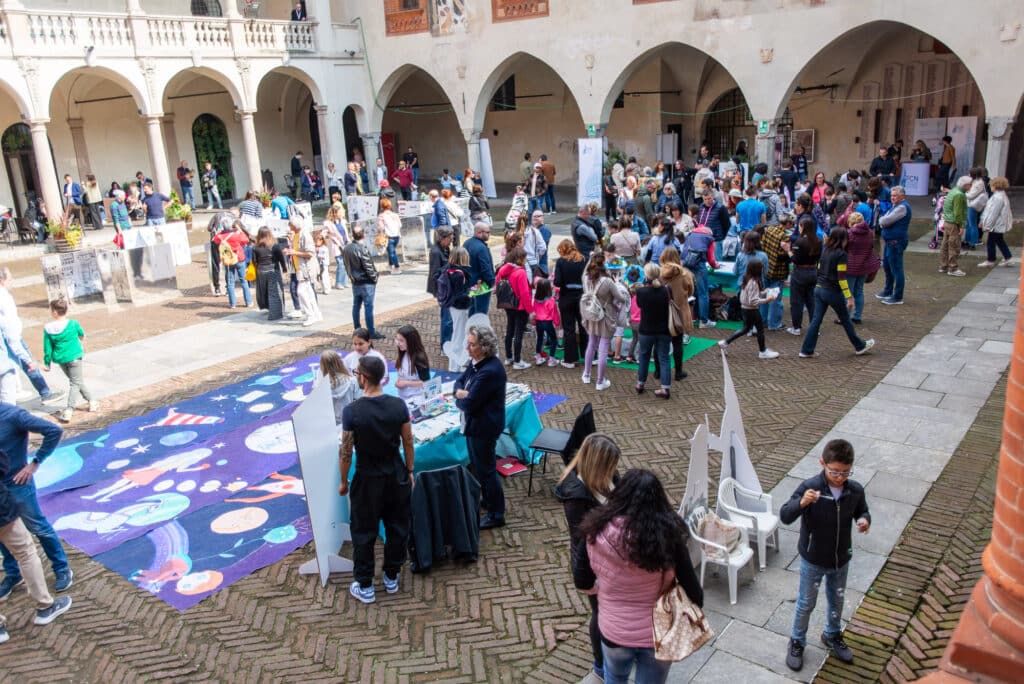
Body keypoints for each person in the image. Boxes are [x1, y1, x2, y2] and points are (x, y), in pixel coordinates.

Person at [574, 469, 703, 684]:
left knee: (614, 678)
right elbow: (696, 594)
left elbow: (582, 580)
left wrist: (605, 588)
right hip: (657, 635)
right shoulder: (669, 537)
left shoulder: (594, 531)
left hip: (613, 631)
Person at [782, 439, 871, 672]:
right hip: (813, 559)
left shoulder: (855, 490)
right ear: (822, 463)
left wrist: (864, 521)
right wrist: (802, 503)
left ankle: (832, 634)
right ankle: (797, 641)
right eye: (834, 472)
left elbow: (862, 510)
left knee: (837, 599)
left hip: (841, 558)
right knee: (806, 603)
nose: (840, 477)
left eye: (845, 472)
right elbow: (785, 515)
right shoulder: (810, 487)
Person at [339, 355, 413, 604]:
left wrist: (343, 481)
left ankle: (365, 584)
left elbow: (346, 451)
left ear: (363, 376)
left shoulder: (352, 411)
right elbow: (408, 440)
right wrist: (410, 470)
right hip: (395, 474)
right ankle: (391, 575)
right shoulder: (398, 406)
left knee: (363, 530)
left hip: (367, 478)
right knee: (397, 527)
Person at [553, 433, 621, 682]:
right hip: (593, 563)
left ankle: (618, 653)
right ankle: (601, 665)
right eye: (610, 465)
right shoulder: (576, 497)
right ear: (598, 464)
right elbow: (582, 542)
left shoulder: (610, 476)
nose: (615, 470)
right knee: (600, 613)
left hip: (614, 556)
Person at [0, 402, 75, 604]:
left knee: (38, 527)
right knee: (4, 535)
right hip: (2, 493)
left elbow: (53, 430)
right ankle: (13, 573)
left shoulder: (12, 415)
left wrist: (35, 463)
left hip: (17, 484)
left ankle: (61, 567)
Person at [455, 325, 507, 529]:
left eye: (472, 344)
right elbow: (459, 381)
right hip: (475, 425)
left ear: (484, 347)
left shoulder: (490, 371)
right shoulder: (477, 363)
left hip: (483, 427)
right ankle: (489, 499)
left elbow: (469, 403)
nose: (467, 347)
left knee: (486, 470)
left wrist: (461, 398)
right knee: (479, 467)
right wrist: (460, 393)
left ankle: (496, 513)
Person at [799, 227, 876, 358]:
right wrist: (849, 297)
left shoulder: (825, 250)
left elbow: (818, 269)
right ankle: (859, 346)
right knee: (846, 320)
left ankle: (806, 350)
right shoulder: (842, 255)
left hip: (819, 289)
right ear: (843, 239)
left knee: (816, 321)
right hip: (832, 291)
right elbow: (841, 277)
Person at [42, 299, 98, 423]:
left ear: (55, 312)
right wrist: (81, 342)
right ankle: (71, 409)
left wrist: (47, 362)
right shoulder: (73, 324)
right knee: (75, 382)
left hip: (61, 359)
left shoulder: (48, 328)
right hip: (74, 356)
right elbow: (82, 334)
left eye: (51, 309)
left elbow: (47, 347)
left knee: (75, 381)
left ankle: (88, 402)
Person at [0, 268, 51, 401]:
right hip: (12, 338)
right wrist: (27, 359)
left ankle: (41, 391)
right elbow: (9, 327)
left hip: (12, 337)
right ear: (2, 281)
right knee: (26, 364)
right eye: (10, 279)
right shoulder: (3, 298)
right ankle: (44, 393)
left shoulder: (4, 295)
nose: (12, 281)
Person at [581, 252, 628, 391]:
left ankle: (586, 374)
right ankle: (600, 381)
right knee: (603, 348)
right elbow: (621, 298)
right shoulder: (607, 282)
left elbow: (585, 270)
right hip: (606, 317)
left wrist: (590, 259)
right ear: (604, 265)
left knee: (591, 343)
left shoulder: (586, 278)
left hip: (591, 315)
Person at [718, 260, 780, 359]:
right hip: (752, 310)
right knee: (760, 330)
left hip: (745, 309)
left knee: (745, 329)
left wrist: (764, 292)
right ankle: (763, 351)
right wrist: (767, 299)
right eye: (761, 268)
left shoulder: (747, 279)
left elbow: (750, 295)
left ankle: (725, 342)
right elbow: (753, 301)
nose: (763, 270)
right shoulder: (754, 283)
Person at [634, 263, 672, 398]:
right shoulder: (666, 290)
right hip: (663, 330)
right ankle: (665, 388)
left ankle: (640, 384)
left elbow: (639, 305)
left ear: (646, 275)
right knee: (664, 358)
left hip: (646, 330)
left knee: (644, 356)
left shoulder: (641, 291)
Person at [657, 247, 693, 382]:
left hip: (661, 311)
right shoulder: (685, 274)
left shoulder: (658, 274)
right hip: (680, 311)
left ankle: (658, 371)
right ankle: (678, 372)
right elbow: (690, 292)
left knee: (660, 342)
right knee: (677, 342)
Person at [495, 247, 534, 370]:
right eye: (524, 258)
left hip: (508, 304)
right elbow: (524, 293)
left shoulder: (502, 270)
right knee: (518, 333)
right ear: (519, 259)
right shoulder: (520, 272)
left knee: (509, 329)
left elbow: (497, 284)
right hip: (520, 306)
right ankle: (517, 361)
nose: (525, 260)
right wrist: (530, 310)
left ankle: (508, 357)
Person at [553, 239, 587, 369]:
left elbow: (557, 282)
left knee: (569, 329)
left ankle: (570, 359)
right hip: (581, 296)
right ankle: (588, 355)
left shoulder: (561, 262)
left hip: (567, 297)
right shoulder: (583, 259)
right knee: (584, 326)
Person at [344, 226, 383, 339]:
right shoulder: (362, 249)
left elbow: (347, 265)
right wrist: (375, 277)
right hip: (366, 282)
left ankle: (357, 329)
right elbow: (368, 266)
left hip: (355, 282)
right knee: (368, 307)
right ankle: (371, 332)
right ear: (363, 235)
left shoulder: (347, 248)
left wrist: (351, 277)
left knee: (356, 306)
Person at [875, 185, 911, 306]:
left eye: (895, 196)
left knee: (896, 269)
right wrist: (883, 221)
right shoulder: (895, 206)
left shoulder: (902, 207)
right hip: (889, 242)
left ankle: (898, 296)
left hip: (896, 243)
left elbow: (884, 220)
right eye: (891, 195)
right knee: (887, 266)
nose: (892, 198)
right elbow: (885, 219)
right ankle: (888, 290)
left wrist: (882, 221)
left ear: (902, 196)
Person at [785, 217, 821, 336]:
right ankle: (814, 326)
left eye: (799, 226)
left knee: (796, 301)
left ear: (803, 227)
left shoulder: (799, 242)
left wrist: (787, 250)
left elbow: (795, 259)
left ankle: (796, 327)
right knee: (812, 300)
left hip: (800, 272)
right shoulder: (818, 241)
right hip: (813, 271)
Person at [284, 218, 322, 327]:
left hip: (306, 269)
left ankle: (311, 315)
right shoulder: (297, 234)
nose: (289, 227)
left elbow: (310, 253)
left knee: (301, 291)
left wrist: (294, 252)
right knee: (309, 292)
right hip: (299, 268)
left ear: (295, 225)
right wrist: (291, 250)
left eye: (290, 225)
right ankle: (316, 313)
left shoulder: (304, 235)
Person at [680, 219, 718, 329]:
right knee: (703, 293)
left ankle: (692, 316)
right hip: (699, 264)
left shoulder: (690, 234)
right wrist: (716, 266)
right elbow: (711, 259)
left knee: (691, 291)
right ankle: (704, 321)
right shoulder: (710, 239)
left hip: (685, 263)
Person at [442, 247, 472, 370]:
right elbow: (459, 294)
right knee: (459, 336)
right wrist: (472, 293)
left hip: (454, 307)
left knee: (459, 334)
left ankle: (458, 363)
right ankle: (455, 365)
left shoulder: (450, 270)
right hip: (460, 308)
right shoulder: (459, 274)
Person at [213, 220, 253, 310]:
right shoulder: (236, 235)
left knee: (230, 283)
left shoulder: (220, 237)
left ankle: (232, 304)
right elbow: (246, 240)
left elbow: (215, 240)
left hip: (228, 260)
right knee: (244, 281)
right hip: (239, 259)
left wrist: (219, 231)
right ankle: (248, 302)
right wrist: (240, 230)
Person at [760, 216, 791, 331]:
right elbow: (783, 256)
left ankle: (763, 321)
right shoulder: (785, 237)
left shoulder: (769, 230)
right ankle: (774, 324)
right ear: (788, 224)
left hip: (766, 267)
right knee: (775, 298)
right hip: (778, 271)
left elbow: (763, 245)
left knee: (764, 295)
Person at [844, 212, 875, 323]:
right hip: (864, 266)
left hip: (850, 267)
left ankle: (845, 317)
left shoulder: (848, 234)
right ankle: (857, 316)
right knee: (859, 291)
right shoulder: (870, 233)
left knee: (848, 293)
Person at [978, 176, 1014, 268]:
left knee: (991, 242)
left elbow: (993, 213)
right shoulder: (1001, 195)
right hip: (998, 224)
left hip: (996, 224)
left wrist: (987, 225)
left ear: (995, 186)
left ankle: (991, 260)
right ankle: (1008, 258)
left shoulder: (998, 197)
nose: (990, 187)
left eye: (991, 185)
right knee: (999, 240)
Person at [428, 226, 456, 346]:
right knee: (447, 319)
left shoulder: (445, 249)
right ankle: (445, 345)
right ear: (442, 239)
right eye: (450, 237)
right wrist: (450, 265)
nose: (452, 239)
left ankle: (449, 341)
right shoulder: (435, 252)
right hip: (443, 290)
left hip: (447, 288)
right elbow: (435, 274)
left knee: (448, 317)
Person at [252, 227, 287, 321]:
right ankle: (275, 314)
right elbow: (281, 258)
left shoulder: (255, 247)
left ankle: (267, 307)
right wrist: (284, 268)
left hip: (261, 271)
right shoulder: (274, 246)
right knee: (275, 292)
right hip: (273, 270)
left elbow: (254, 261)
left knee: (264, 291)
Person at [940, 176, 971, 277]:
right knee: (954, 245)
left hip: (947, 221)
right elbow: (958, 212)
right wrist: (962, 225)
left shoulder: (954, 191)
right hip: (954, 223)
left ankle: (944, 266)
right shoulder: (959, 195)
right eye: (970, 184)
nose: (971, 186)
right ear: (966, 185)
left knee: (945, 244)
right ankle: (953, 268)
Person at [320, 350, 358, 427]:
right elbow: (358, 399)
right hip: (350, 418)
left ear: (322, 366)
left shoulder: (322, 386)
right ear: (340, 362)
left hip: (332, 421)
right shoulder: (352, 381)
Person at [392, 325, 430, 402]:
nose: (398, 343)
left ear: (411, 341)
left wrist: (406, 383)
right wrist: (398, 382)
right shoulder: (403, 352)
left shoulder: (419, 358)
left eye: (401, 340)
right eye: (397, 340)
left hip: (416, 398)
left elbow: (425, 382)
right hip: (403, 396)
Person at [465, 222, 495, 316]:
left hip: (470, 283)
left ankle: (470, 328)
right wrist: (492, 283)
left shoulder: (466, 243)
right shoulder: (482, 248)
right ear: (479, 232)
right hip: (481, 285)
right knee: (481, 311)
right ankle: (479, 329)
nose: (489, 234)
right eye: (487, 232)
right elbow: (486, 269)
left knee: (473, 309)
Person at [321, 202, 349, 290]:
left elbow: (345, 233)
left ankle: (344, 282)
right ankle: (338, 282)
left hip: (344, 243)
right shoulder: (328, 223)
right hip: (336, 245)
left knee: (346, 263)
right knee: (340, 263)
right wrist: (326, 236)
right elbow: (323, 233)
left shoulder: (342, 221)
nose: (340, 214)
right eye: (338, 212)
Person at [531, 278, 559, 366]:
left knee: (540, 338)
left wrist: (534, 322)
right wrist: (557, 322)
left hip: (539, 322)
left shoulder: (535, 300)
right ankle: (551, 359)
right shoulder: (551, 300)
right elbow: (554, 313)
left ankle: (538, 357)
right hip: (548, 322)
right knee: (554, 339)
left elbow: (534, 311)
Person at [377, 198, 403, 275]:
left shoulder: (381, 216)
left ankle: (397, 267)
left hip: (388, 236)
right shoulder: (395, 215)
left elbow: (380, 227)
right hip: (397, 236)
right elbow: (400, 225)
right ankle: (390, 265)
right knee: (391, 251)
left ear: (382, 206)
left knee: (392, 253)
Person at [965, 166, 989, 248]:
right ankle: (967, 240)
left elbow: (971, 195)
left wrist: (963, 194)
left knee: (972, 224)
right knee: (968, 224)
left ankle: (973, 242)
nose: (968, 174)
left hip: (974, 205)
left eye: (970, 173)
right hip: (971, 204)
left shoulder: (979, 183)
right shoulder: (975, 181)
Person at [524, 210, 549, 278]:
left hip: (541, 263)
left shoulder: (544, 230)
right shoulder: (532, 229)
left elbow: (543, 249)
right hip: (533, 263)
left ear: (543, 217)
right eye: (534, 216)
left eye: (538, 216)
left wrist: (536, 258)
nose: (535, 218)